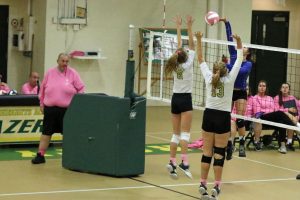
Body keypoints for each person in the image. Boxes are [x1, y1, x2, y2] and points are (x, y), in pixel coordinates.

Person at [196, 31, 243, 200]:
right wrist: (238, 41)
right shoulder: (229, 80)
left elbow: (200, 58)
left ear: (215, 70)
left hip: (208, 116)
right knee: (219, 153)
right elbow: (239, 59)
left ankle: (202, 183)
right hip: (223, 118)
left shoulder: (209, 78)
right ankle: (216, 186)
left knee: (206, 151)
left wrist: (199, 39)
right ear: (225, 69)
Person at [31, 53, 85, 164]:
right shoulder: (50, 73)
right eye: (62, 61)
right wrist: (41, 103)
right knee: (46, 133)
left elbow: (81, 88)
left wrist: (77, 104)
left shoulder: (73, 73)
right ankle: (40, 155)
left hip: (67, 110)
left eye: (67, 61)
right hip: (50, 109)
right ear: (57, 61)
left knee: (68, 134)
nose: (65, 63)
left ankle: (72, 156)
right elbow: (42, 90)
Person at [165, 15, 195, 179]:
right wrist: (188, 27)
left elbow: (179, 45)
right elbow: (191, 44)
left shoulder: (174, 63)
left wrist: (178, 26)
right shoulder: (188, 62)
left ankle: (171, 161)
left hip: (175, 99)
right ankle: (184, 162)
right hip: (185, 99)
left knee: (175, 134)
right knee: (185, 134)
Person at [219, 17, 253, 158]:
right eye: (242, 45)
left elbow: (241, 71)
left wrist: (226, 65)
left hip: (240, 92)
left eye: (245, 47)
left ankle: (242, 144)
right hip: (229, 91)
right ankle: (229, 143)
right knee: (226, 118)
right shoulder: (233, 54)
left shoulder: (248, 64)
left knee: (239, 119)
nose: (243, 46)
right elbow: (229, 38)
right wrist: (227, 22)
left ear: (247, 52)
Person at [247, 80, 300, 152]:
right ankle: (296, 126)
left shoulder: (269, 98)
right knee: (280, 113)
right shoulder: (255, 98)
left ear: (266, 88)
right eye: (260, 86)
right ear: (257, 87)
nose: (262, 88)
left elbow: (273, 109)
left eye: (264, 86)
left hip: (271, 118)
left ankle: (283, 146)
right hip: (261, 117)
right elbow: (258, 112)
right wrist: (286, 111)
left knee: (282, 122)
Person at [273, 83, 299, 152]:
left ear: (289, 89)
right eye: (283, 87)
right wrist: (287, 110)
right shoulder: (277, 98)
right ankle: (298, 131)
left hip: (292, 119)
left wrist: (297, 117)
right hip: (280, 118)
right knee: (290, 120)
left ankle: (289, 142)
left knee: (291, 120)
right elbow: (276, 110)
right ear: (280, 89)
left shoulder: (292, 98)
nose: (284, 89)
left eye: (286, 87)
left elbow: (297, 110)